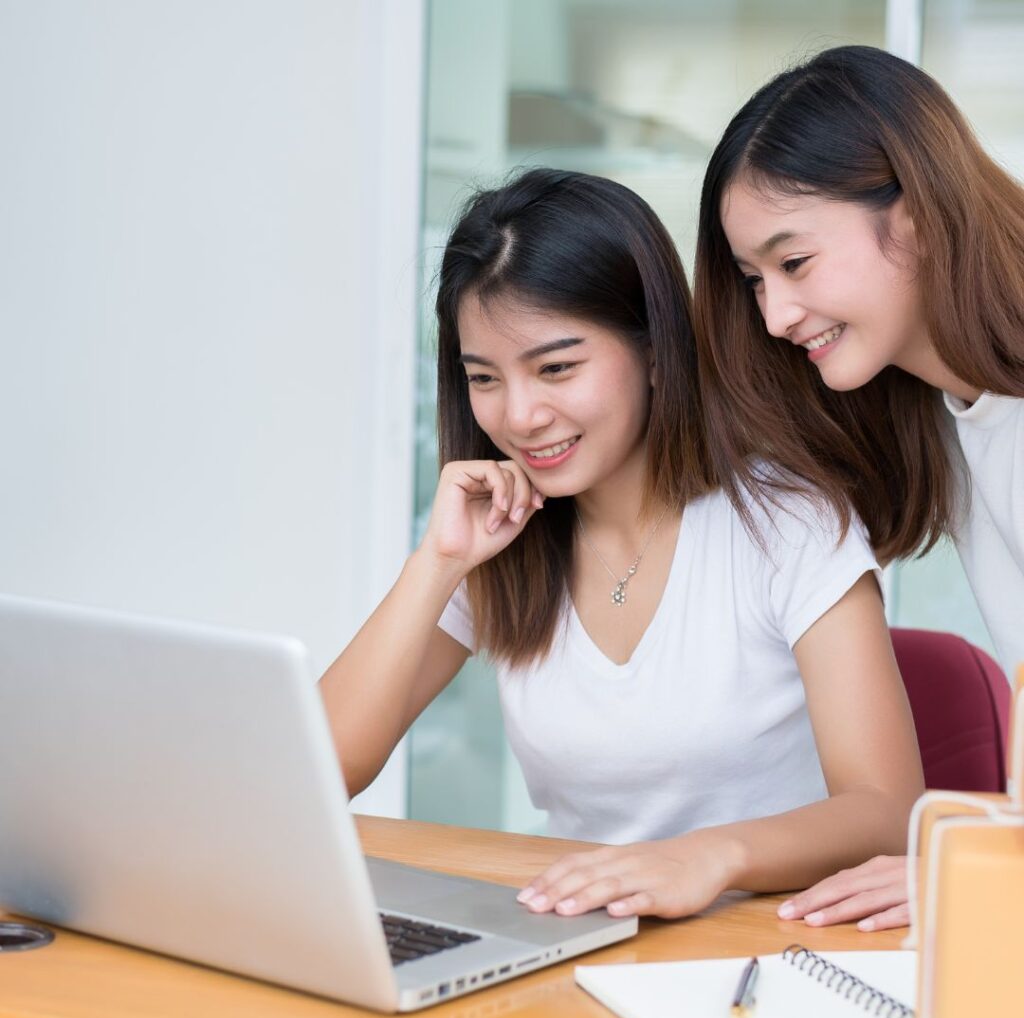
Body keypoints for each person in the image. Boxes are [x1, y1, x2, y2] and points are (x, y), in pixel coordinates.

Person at [320, 167, 922, 921]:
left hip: (762, 943)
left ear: (655, 351)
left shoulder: (786, 519)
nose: (520, 415)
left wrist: (706, 855)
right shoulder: (505, 539)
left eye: (557, 367)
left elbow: (888, 810)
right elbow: (315, 775)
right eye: (484, 377)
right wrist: (436, 564)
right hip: (580, 939)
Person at [694, 44, 1023, 932]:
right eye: (754, 280)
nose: (774, 316)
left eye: (793, 263)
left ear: (914, 216)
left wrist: (990, 869)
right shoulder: (951, 418)